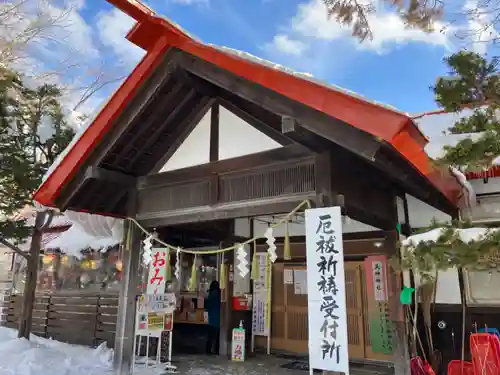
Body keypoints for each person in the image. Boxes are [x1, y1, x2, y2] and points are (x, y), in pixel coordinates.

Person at [204, 280, 221, 355]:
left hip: (212, 318)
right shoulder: (219, 293)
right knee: (217, 336)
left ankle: (208, 350)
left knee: (211, 335)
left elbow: (208, 305)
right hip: (218, 317)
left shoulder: (212, 294)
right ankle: (216, 350)